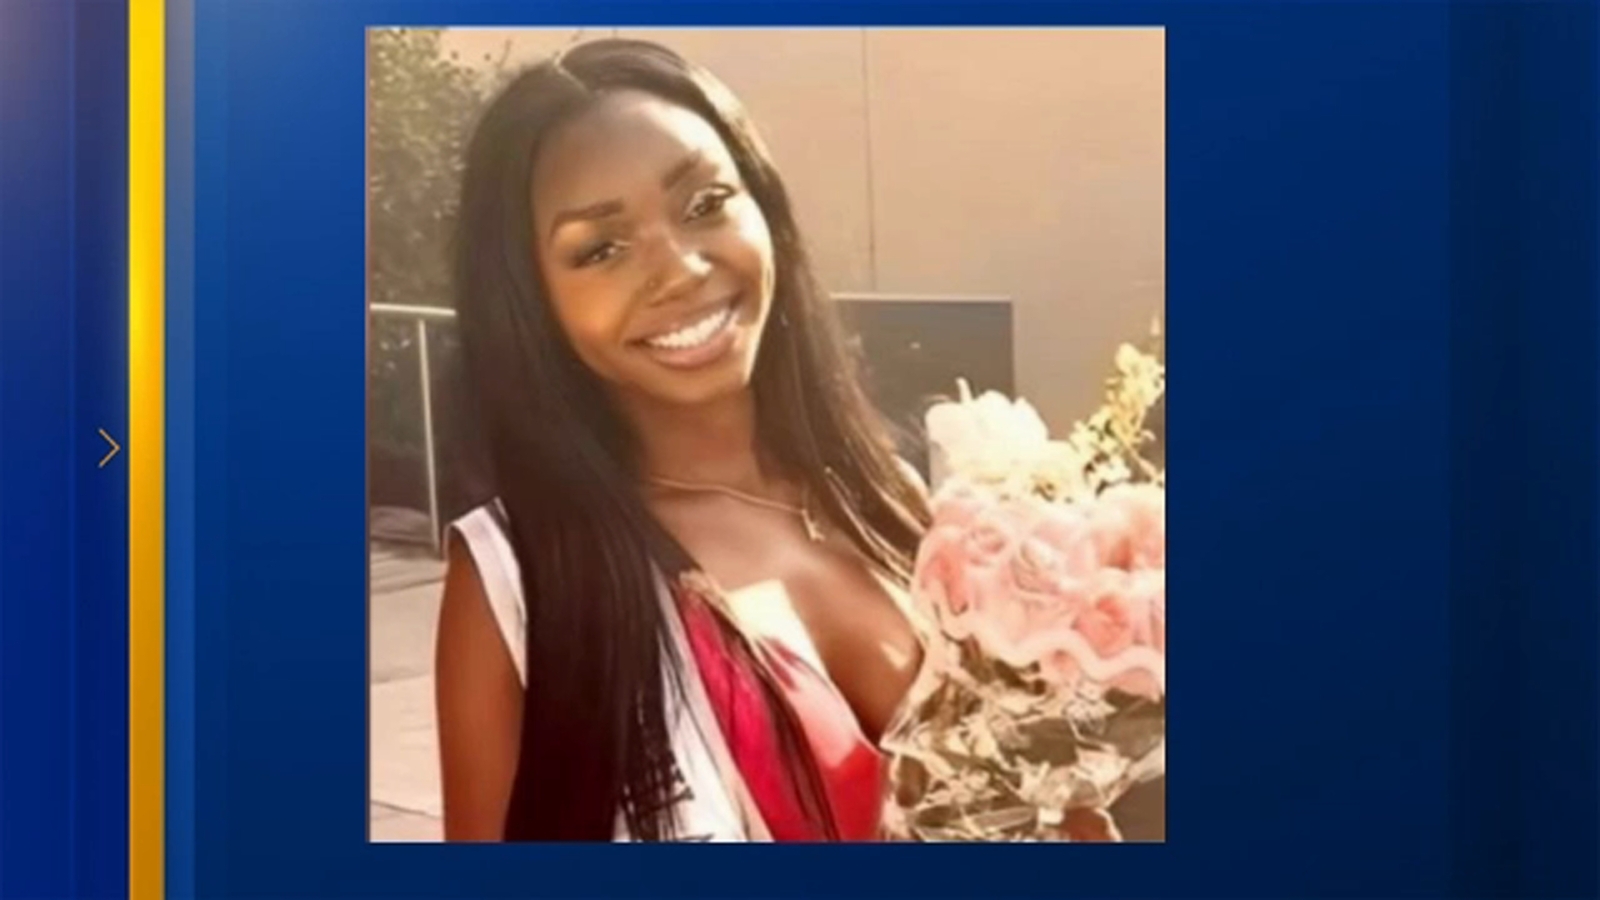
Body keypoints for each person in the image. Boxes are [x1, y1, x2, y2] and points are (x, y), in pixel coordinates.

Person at [433, 38, 932, 842]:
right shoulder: (516, 583)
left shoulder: (889, 497)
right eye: (601, 249)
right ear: (533, 303)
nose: (681, 269)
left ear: (764, 207)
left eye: (705, 203)